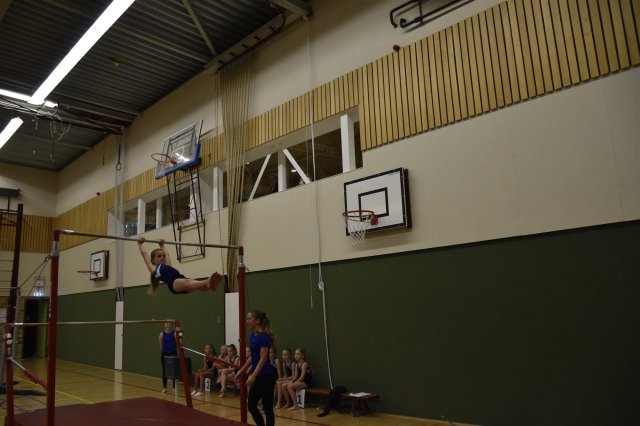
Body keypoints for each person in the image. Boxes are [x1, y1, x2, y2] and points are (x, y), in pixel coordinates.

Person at [138, 237, 222, 294]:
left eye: (163, 256)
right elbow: (144, 254)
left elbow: (167, 253)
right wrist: (140, 244)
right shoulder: (154, 269)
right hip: (173, 283)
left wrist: (162, 245)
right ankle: (207, 282)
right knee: (188, 282)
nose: (163, 257)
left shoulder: (168, 265)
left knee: (196, 285)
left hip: (181, 279)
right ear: (153, 261)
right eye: (159, 256)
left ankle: (209, 286)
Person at [235, 311, 277, 426]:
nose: (247, 321)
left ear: (257, 321)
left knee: (267, 409)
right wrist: (241, 370)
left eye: (249, 319)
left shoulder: (264, 336)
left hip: (266, 376)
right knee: (252, 406)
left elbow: (263, 359)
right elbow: (253, 357)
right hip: (258, 376)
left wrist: (253, 375)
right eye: (247, 319)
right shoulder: (253, 335)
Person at [159, 322, 177, 393]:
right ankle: (165, 387)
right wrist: (164, 352)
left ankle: (174, 387)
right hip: (165, 354)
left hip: (173, 353)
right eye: (166, 324)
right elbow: (161, 345)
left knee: (174, 370)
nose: (168, 325)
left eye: (169, 324)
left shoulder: (174, 333)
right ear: (164, 325)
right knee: (165, 371)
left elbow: (177, 343)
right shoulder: (161, 334)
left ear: (171, 325)